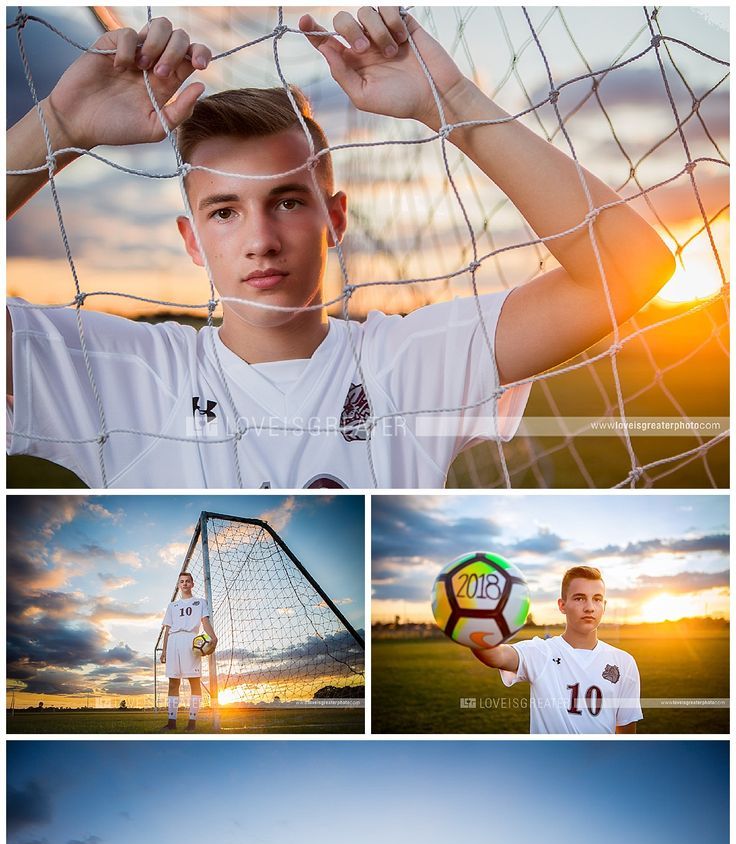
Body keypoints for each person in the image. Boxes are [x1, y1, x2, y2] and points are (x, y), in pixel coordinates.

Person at [6, 9, 675, 489]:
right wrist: (58, 128)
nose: (262, 240)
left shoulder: (409, 364)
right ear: (192, 240)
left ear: (335, 218)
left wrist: (451, 99)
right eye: (225, 211)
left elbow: (635, 269)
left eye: (287, 201)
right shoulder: (124, 376)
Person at [472, 565, 642, 734]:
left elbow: (626, 735)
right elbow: (496, 655)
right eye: (579, 598)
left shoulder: (624, 662)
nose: (590, 607)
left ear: (604, 605)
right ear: (562, 605)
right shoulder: (540, 652)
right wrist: (470, 624)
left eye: (597, 599)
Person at [160, 570, 217, 731]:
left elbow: (205, 622)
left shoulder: (200, 602)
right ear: (178, 586)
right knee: (173, 682)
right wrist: (164, 651)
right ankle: (171, 722)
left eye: (187, 581)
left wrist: (214, 637)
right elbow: (167, 629)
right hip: (173, 641)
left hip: (191, 641)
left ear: (192, 584)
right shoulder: (172, 605)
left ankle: (192, 722)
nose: (185, 583)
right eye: (182, 581)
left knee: (194, 680)